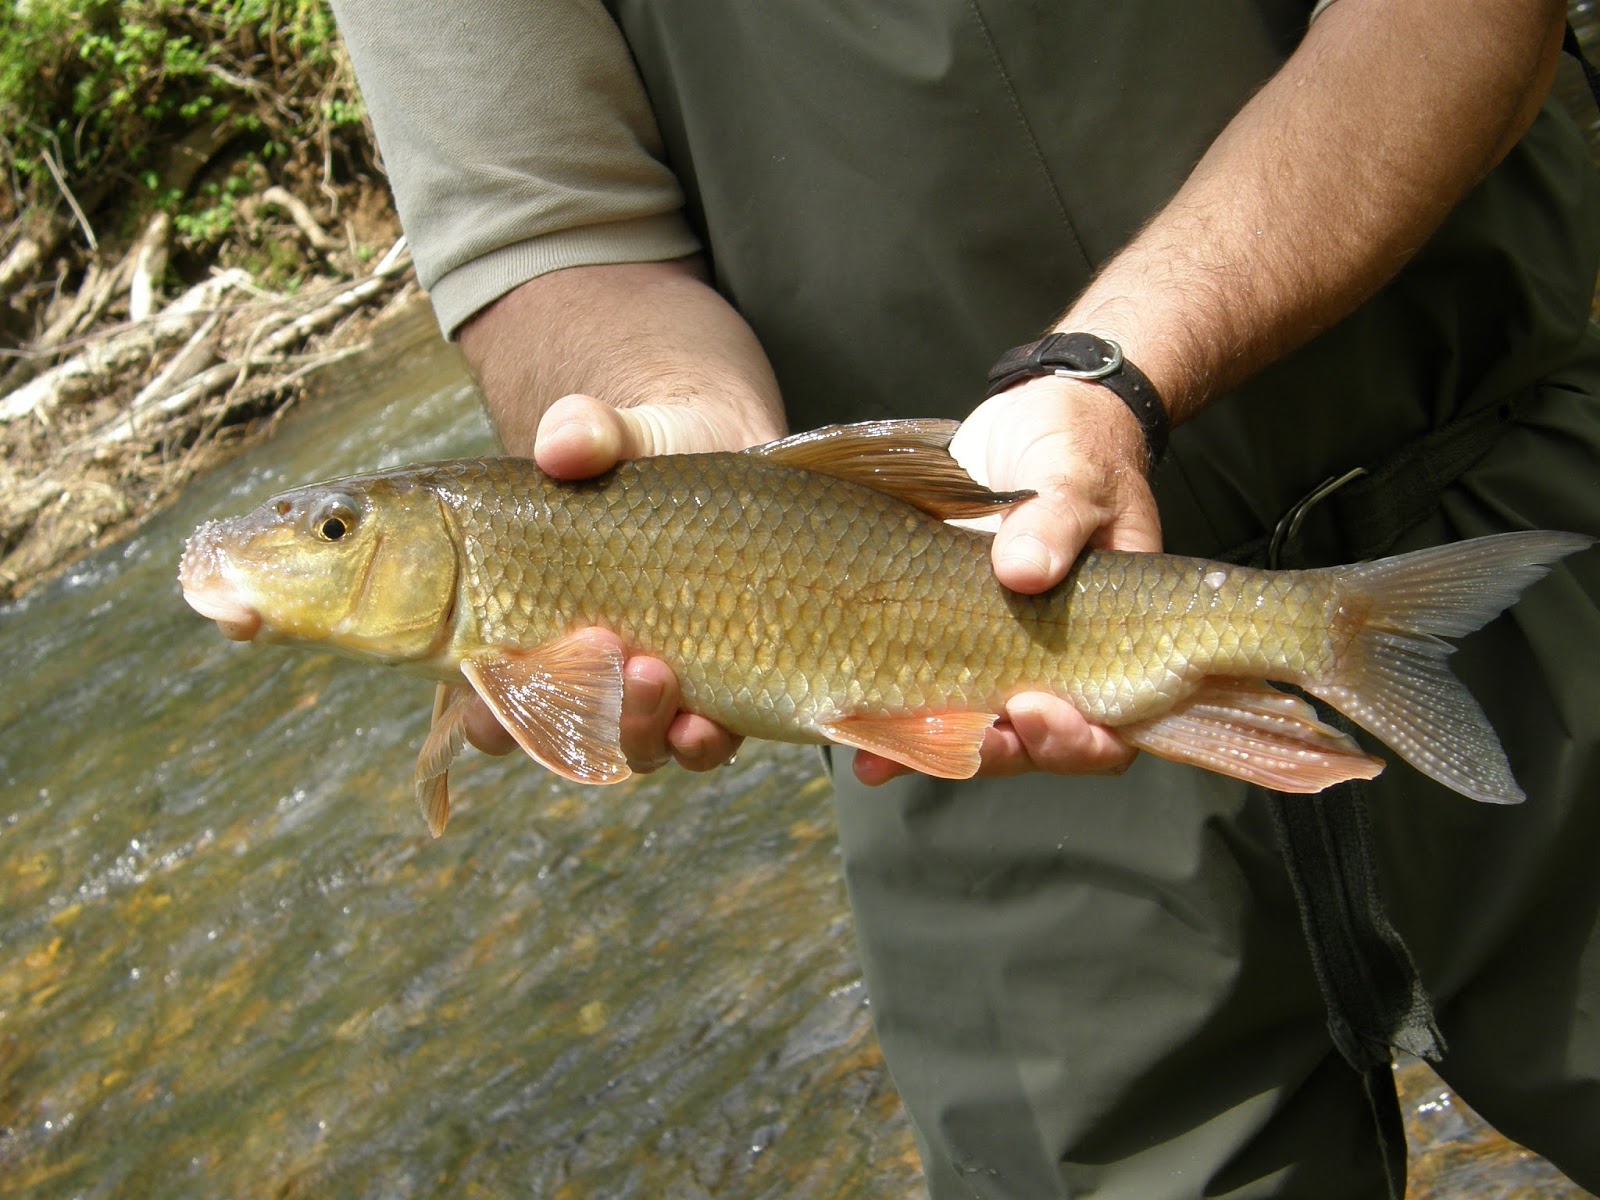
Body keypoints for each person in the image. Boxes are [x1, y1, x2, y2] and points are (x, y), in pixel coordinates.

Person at [328, 0, 1600, 1195]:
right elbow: (549, 232)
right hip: (967, 768)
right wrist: (683, 435)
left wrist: (1114, 373)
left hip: (1500, 506)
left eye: (330, 530)